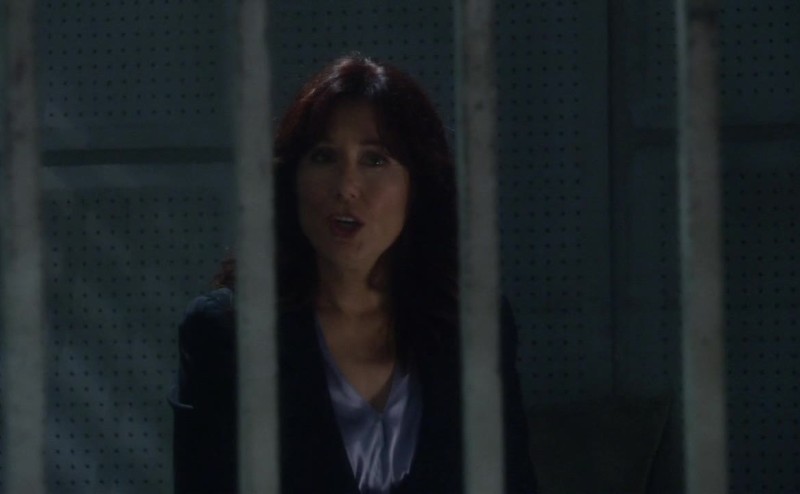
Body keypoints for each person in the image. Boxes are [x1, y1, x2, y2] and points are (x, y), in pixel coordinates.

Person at [170, 54, 536, 493]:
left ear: (417, 186)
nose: (346, 187)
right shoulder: (225, 335)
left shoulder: (475, 327)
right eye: (324, 157)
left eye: (375, 160)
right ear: (291, 182)